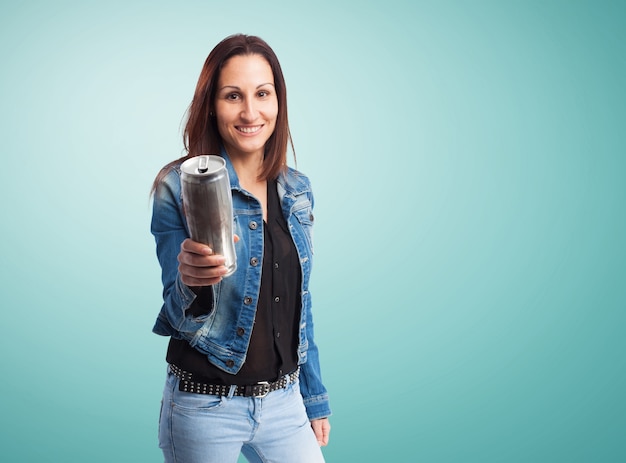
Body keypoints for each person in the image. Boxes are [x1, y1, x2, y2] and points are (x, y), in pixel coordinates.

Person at [150, 34, 331, 462]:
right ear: (212, 105)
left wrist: (314, 393)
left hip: (285, 403)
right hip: (204, 405)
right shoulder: (176, 188)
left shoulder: (297, 190)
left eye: (262, 94)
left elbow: (299, 305)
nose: (251, 112)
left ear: (278, 101)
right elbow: (178, 315)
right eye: (233, 96)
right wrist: (191, 283)